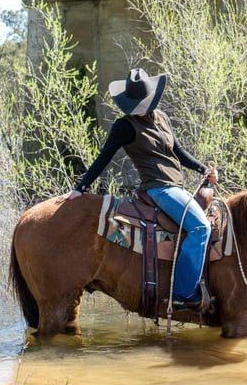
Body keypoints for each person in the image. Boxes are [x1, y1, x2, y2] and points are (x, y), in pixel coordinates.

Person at [63, 67, 218, 309]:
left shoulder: (162, 118)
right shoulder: (124, 126)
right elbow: (104, 157)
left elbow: (177, 151)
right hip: (159, 188)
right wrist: (81, 187)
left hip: (177, 186)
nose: (140, 108)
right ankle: (183, 293)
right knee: (200, 228)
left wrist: (202, 169)